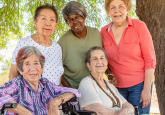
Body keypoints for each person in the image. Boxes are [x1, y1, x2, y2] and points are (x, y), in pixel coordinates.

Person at [100, 0, 156, 114]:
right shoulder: (103, 32)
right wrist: (109, 75)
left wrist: (146, 90)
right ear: (108, 11)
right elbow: (102, 59)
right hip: (117, 88)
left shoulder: (139, 26)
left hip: (139, 86)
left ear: (127, 8)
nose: (117, 11)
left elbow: (150, 59)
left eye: (121, 6)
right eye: (112, 7)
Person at [0, 46, 80, 115]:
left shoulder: (45, 84)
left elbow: (73, 91)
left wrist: (56, 101)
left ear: (41, 68)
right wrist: (25, 112)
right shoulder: (16, 85)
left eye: (36, 63)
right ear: (21, 70)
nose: (33, 68)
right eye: (27, 64)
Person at [9, 4, 64, 85]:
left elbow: (58, 76)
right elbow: (13, 75)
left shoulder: (57, 48)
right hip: (30, 96)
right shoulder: (24, 43)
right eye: (43, 18)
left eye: (52, 20)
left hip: (55, 95)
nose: (48, 23)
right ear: (35, 22)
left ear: (55, 25)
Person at [58, 1, 102, 89]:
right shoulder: (62, 42)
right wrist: (71, 90)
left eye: (77, 17)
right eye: (71, 19)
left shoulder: (95, 33)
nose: (75, 22)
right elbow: (57, 71)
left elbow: (103, 57)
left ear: (83, 16)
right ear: (67, 22)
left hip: (95, 86)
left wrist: (109, 74)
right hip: (73, 88)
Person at [78, 46, 134, 115]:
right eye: (95, 59)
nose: (99, 61)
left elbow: (128, 105)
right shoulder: (86, 83)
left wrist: (128, 109)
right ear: (88, 65)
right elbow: (100, 111)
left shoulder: (109, 84)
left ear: (106, 63)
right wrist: (123, 113)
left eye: (102, 58)